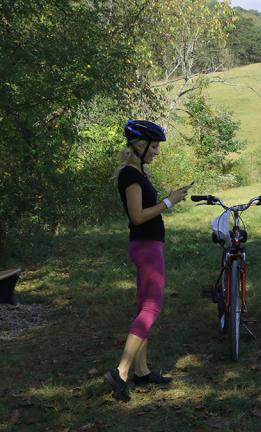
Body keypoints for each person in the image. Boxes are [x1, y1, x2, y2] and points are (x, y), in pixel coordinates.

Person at [104, 120, 191, 402]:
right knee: (151, 308)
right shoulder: (130, 175)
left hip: (147, 245)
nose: (156, 151)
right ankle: (121, 371)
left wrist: (169, 200)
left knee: (143, 306)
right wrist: (169, 202)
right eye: (153, 146)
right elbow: (138, 216)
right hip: (146, 247)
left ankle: (141, 370)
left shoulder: (138, 172)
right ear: (138, 146)